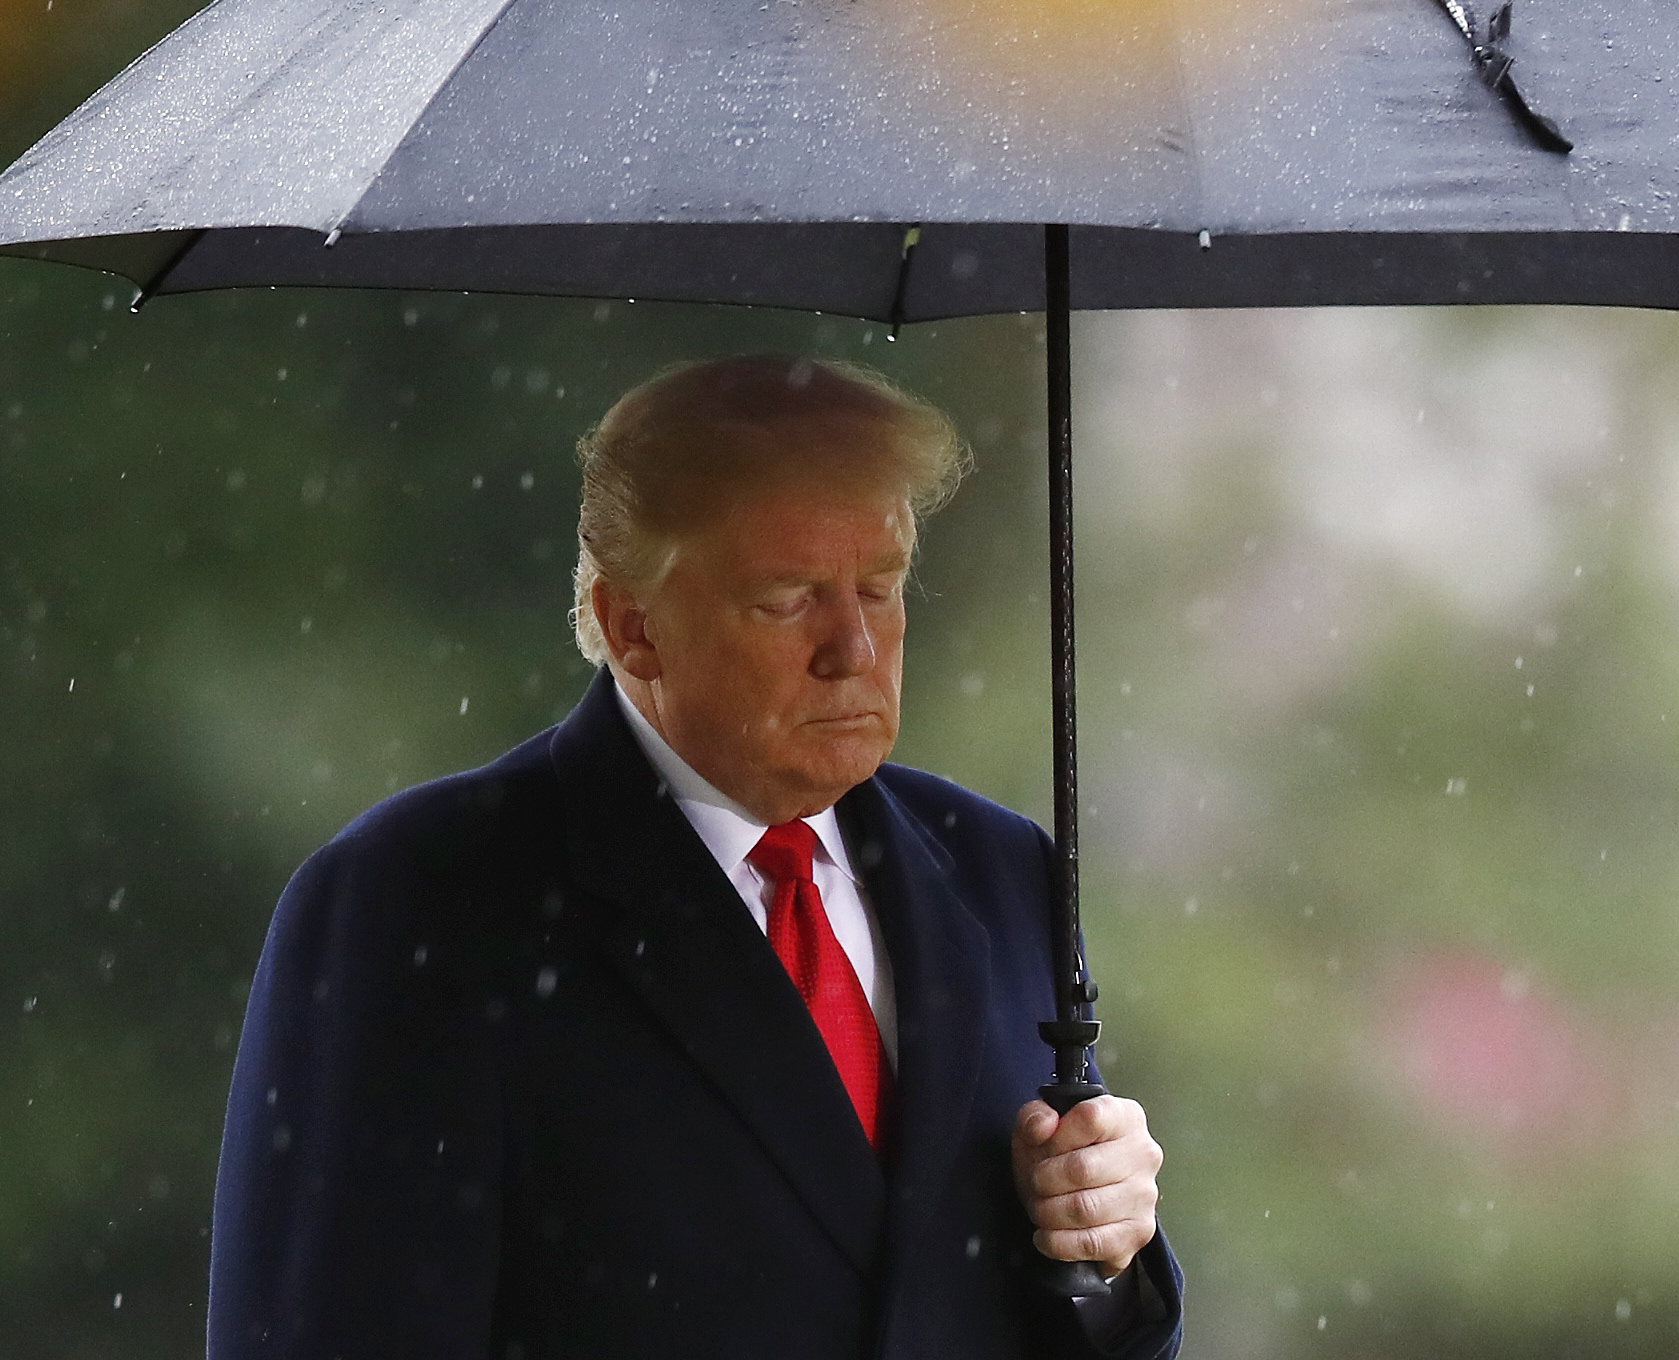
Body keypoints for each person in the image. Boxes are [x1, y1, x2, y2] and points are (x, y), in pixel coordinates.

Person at [207, 355, 1184, 1359]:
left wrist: (1103, 1260)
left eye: (881, 588)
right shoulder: (418, 899)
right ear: (635, 627)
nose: (854, 646)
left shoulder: (997, 866)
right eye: (789, 598)